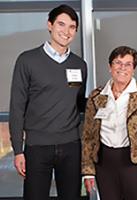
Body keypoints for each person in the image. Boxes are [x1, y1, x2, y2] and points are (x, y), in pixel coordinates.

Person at [9, 4, 87, 200]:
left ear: (76, 31)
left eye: (72, 27)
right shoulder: (27, 60)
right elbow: (17, 108)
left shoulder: (79, 65)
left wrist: (106, 99)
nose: (66, 31)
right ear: (49, 25)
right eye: (61, 24)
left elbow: (78, 103)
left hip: (71, 146)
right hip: (37, 147)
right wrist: (18, 150)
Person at [81, 46, 137, 200]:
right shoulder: (96, 96)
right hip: (104, 163)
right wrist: (88, 171)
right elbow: (88, 136)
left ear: (134, 69)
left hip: (135, 164)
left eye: (128, 64)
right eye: (118, 63)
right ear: (110, 66)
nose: (122, 68)